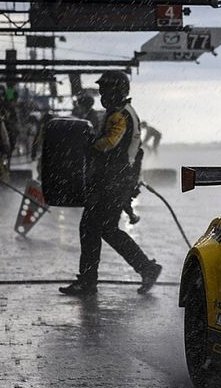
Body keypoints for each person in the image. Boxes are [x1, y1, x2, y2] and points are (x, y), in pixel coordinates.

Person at [60, 71, 162, 296]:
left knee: (92, 229)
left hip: (112, 184)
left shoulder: (119, 116)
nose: (103, 94)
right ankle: (144, 268)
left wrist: (87, 145)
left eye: (106, 89)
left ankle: (91, 281)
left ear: (118, 90)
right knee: (103, 229)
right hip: (116, 183)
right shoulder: (125, 112)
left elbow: (109, 143)